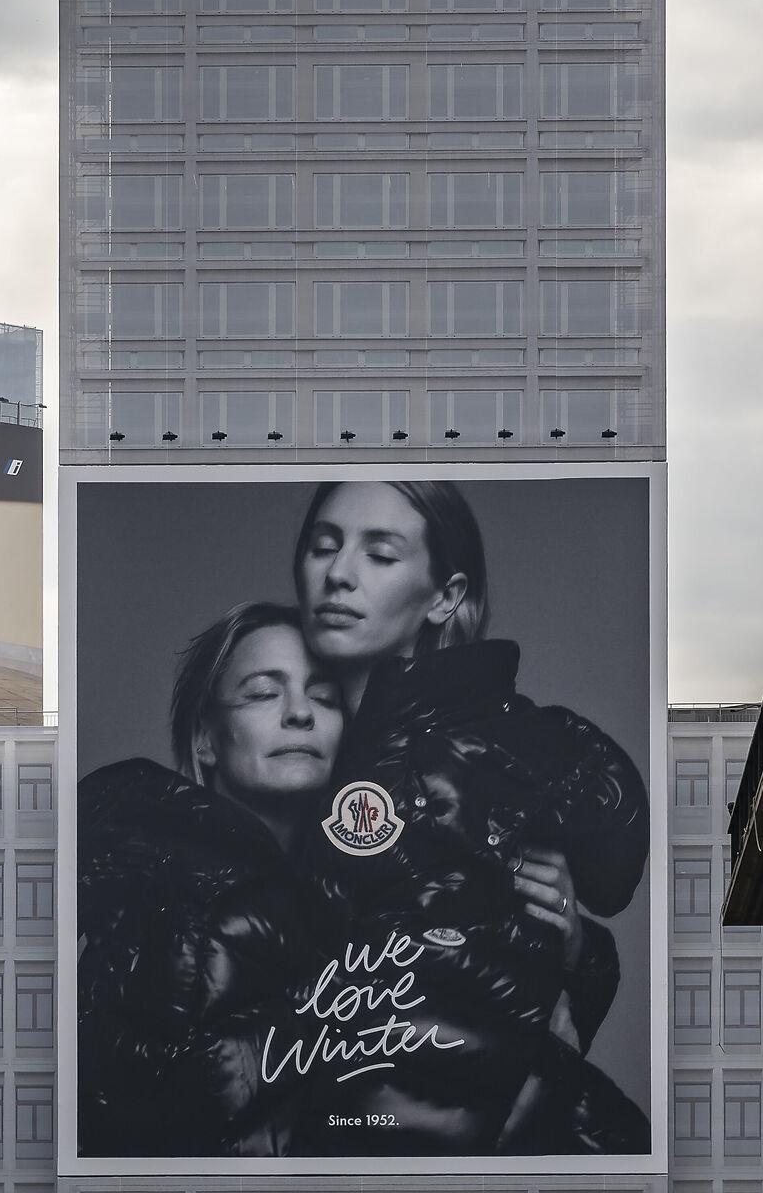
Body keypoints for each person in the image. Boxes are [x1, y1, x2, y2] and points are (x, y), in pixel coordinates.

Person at [287, 480, 652, 1156]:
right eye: (324, 546)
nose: (338, 574)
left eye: (380, 554)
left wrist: (572, 952)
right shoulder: (286, 738)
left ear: (445, 597)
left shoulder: (498, 752)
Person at [76, 602, 350, 1156]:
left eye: (325, 696)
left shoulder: (367, 906)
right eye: (263, 692)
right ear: (206, 738)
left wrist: (571, 959)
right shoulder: (159, 891)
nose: (300, 713)